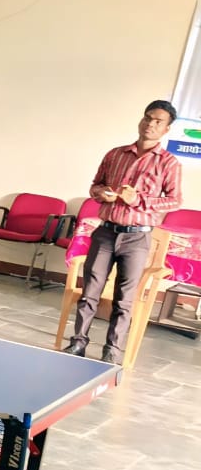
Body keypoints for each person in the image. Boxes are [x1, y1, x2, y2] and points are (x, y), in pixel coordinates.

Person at [64, 100, 183, 363]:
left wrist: (137, 200)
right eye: (147, 117)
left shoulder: (169, 163)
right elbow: (95, 185)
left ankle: (112, 351)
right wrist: (101, 194)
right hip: (105, 233)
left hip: (137, 237)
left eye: (158, 121)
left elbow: (175, 200)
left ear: (166, 129)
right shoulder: (116, 154)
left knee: (124, 299)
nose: (150, 124)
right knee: (90, 293)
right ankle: (78, 343)